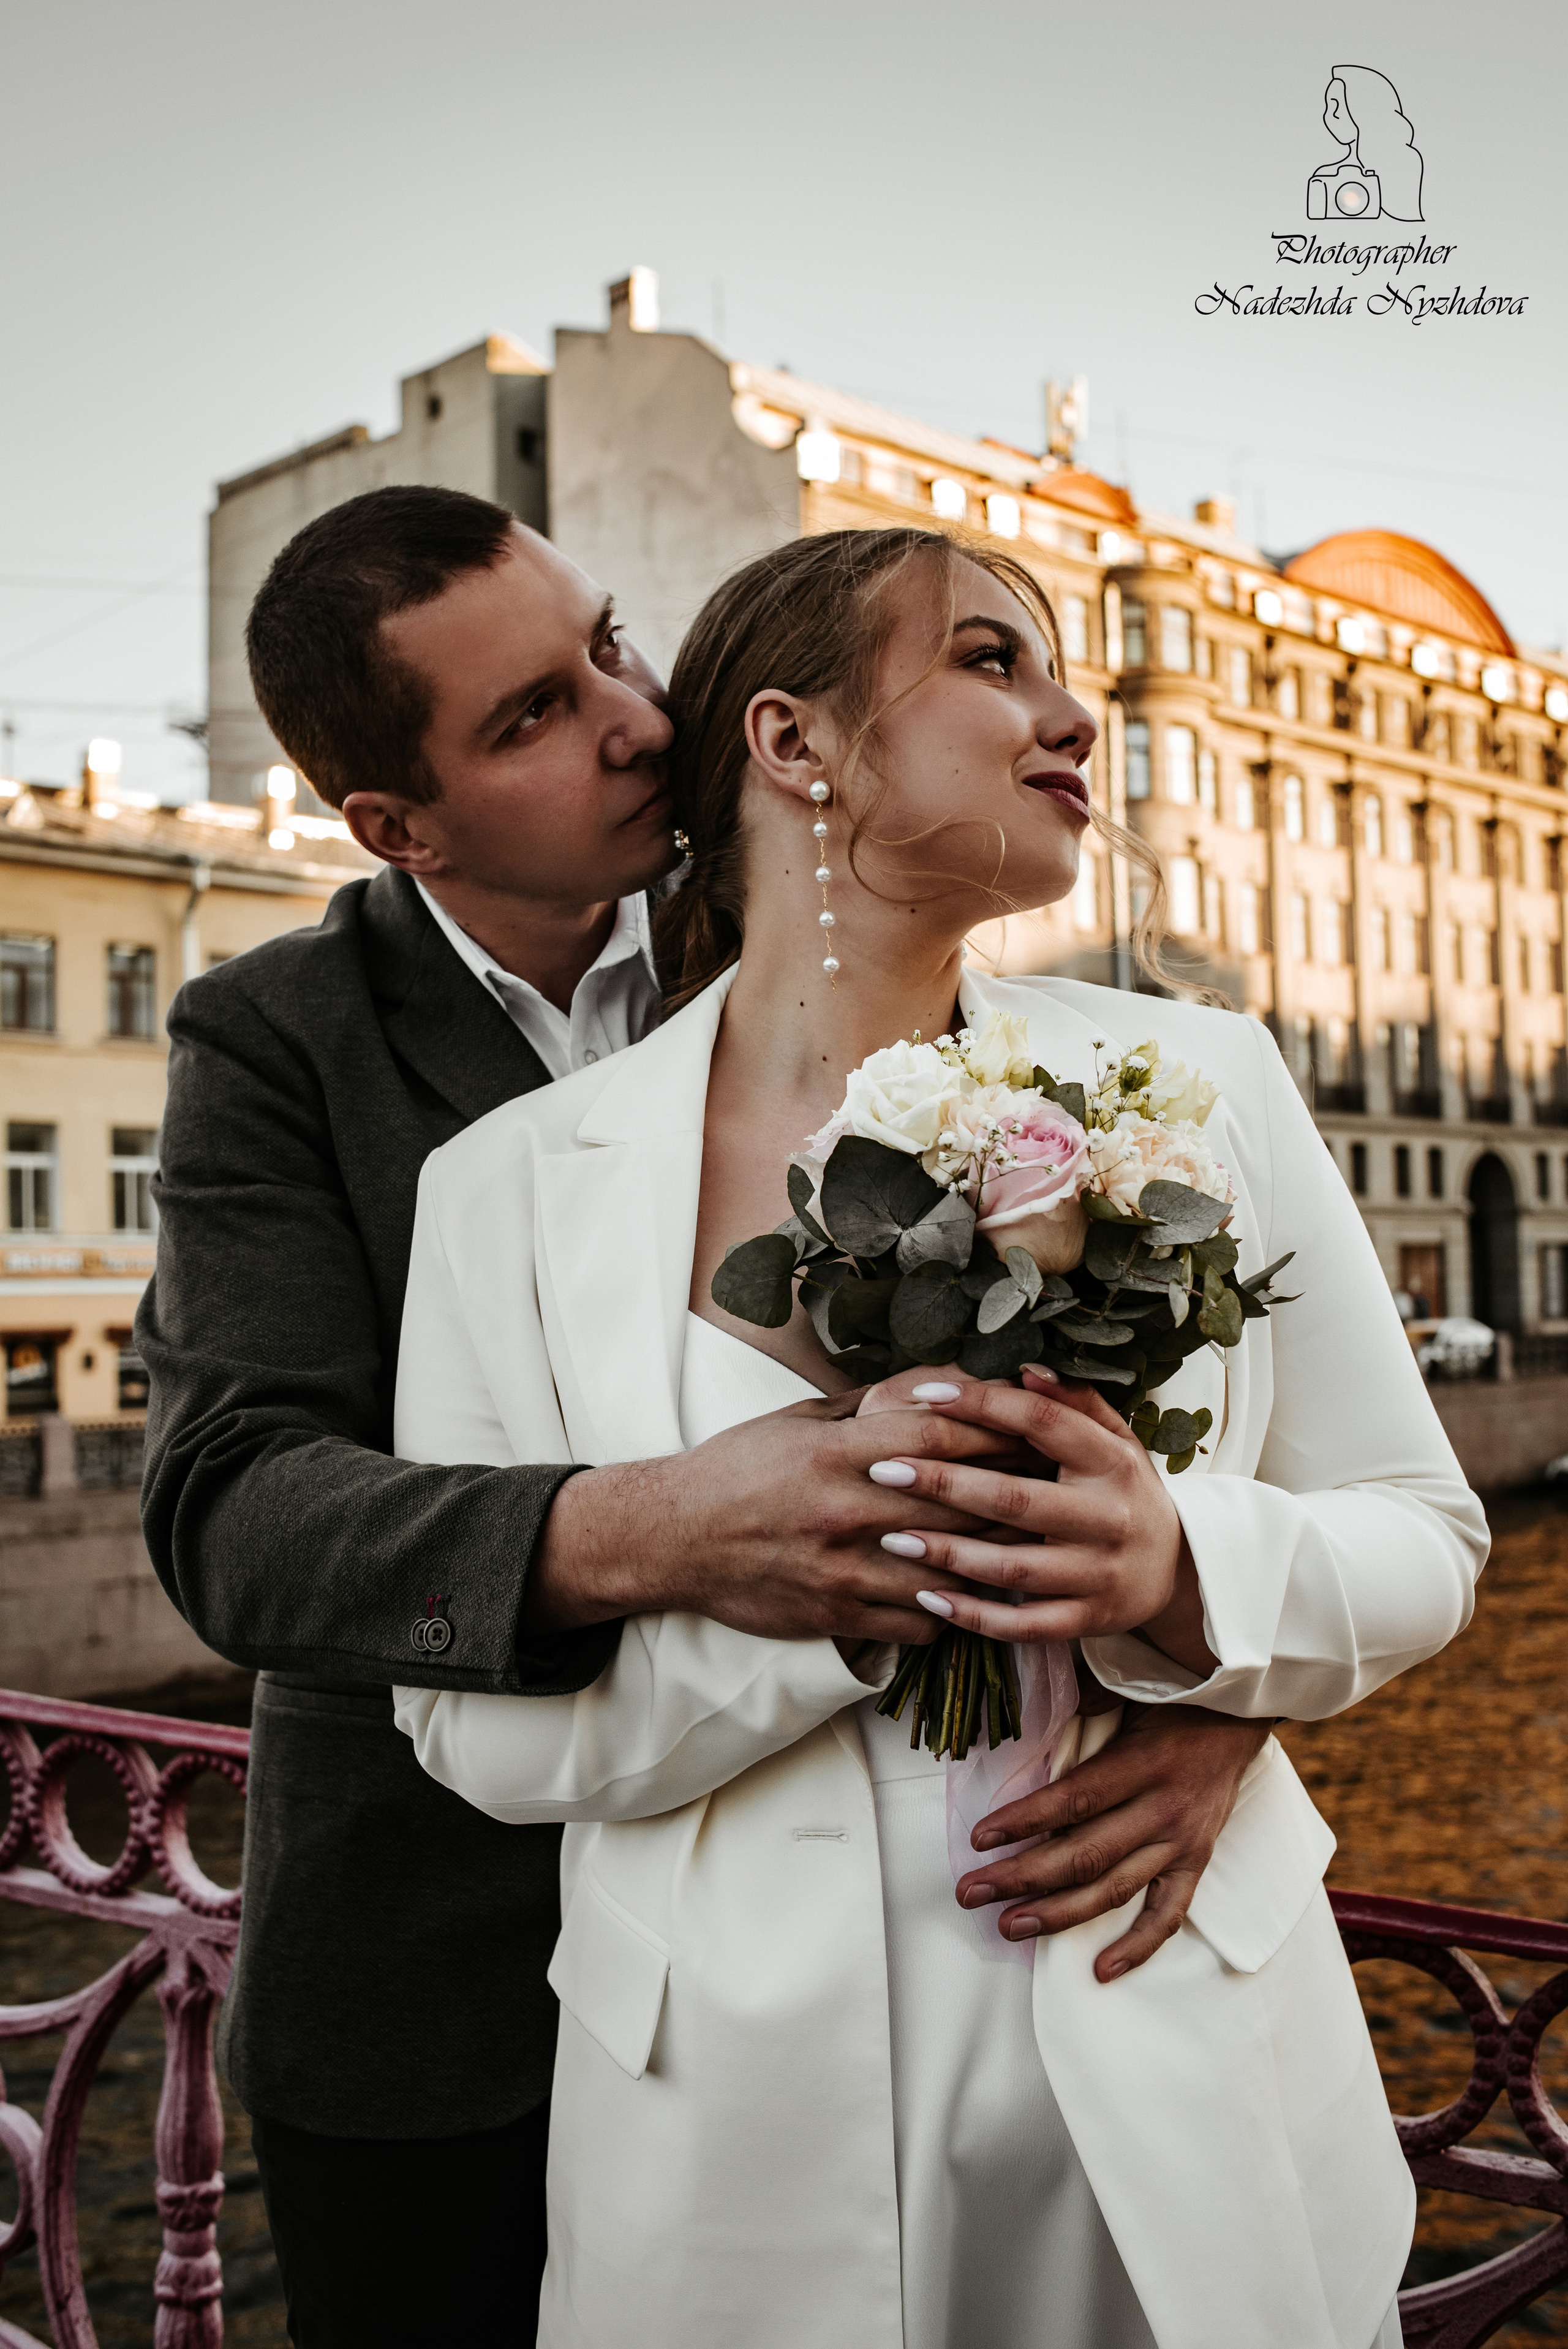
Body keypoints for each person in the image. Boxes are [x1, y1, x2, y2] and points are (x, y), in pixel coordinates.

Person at [138, 489, 1272, 2347]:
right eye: (533, 714)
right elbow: (233, 1510)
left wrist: (1218, 1691)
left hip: (911, 1975)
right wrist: (659, 1526)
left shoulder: (821, 903)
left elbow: (1240, 1473)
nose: (631, 719)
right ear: (398, 825)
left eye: (609, 644)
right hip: (445, 1989)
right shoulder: (277, 1035)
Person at [391, 525, 1488, 2349]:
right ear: (793, 742)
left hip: (1181, 2038)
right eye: (992, 660)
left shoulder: (1203, 1081)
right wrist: (822, 1603)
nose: (1071, 716)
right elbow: (464, 1727)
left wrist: (1186, 1583)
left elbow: (1423, 1532)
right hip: (726, 2123)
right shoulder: (503, 1190)